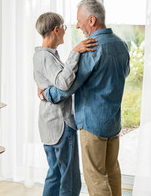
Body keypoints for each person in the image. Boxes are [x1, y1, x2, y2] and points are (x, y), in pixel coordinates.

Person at [39, 0, 130, 196]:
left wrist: (48, 94)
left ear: (91, 20)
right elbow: (124, 74)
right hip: (113, 123)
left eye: (79, 20)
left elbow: (69, 85)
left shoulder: (92, 47)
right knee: (113, 173)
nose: (77, 25)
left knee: (96, 178)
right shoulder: (121, 45)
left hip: (92, 124)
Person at [33, 12, 98, 196]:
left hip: (47, 123)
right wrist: (75, 52)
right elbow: (63, 83)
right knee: (69, 178)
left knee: (54, 174)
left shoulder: (40, 56)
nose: (65, 31)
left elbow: (55, 84)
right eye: (64, 27)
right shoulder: (47, 57)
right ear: (56, 29)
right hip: (60, 124)